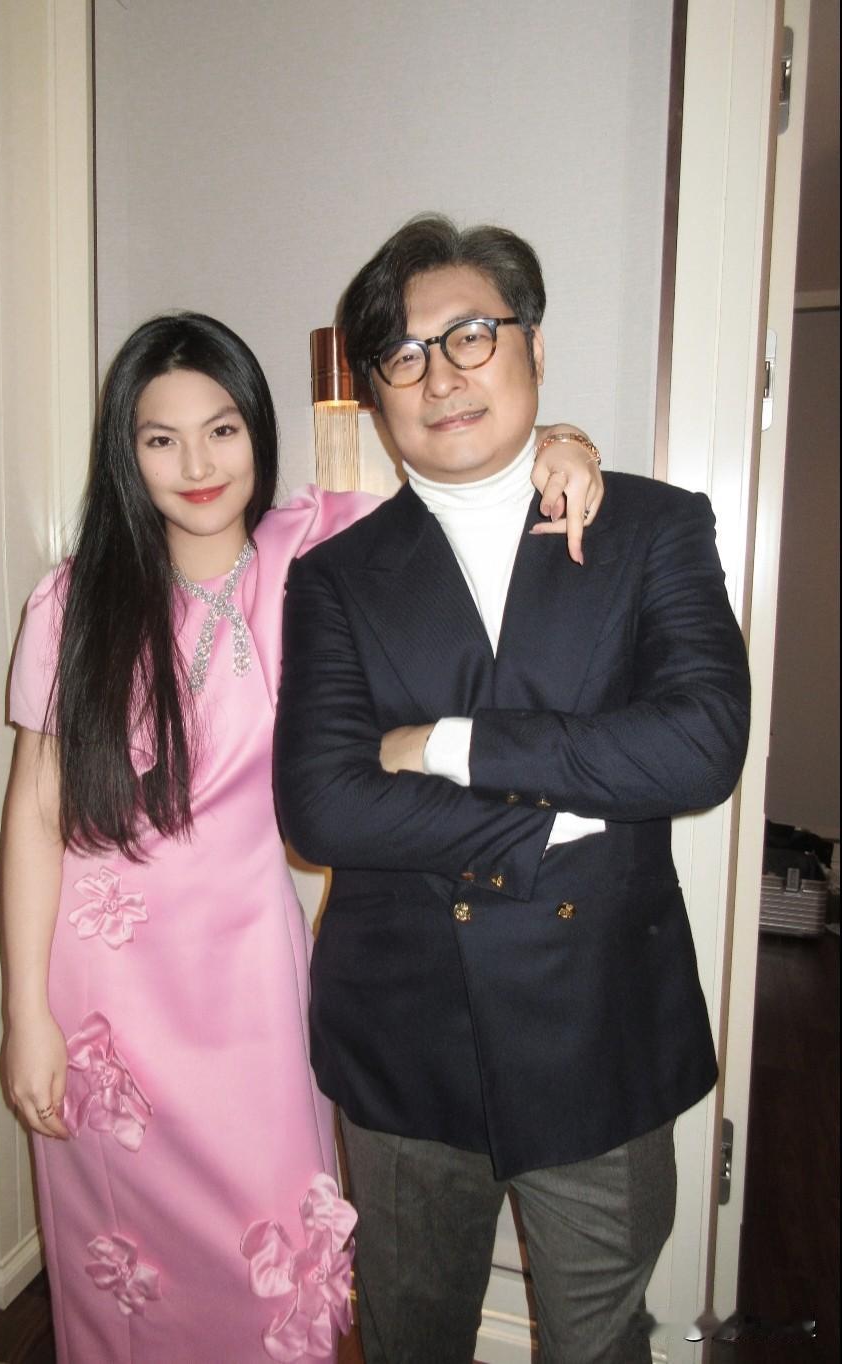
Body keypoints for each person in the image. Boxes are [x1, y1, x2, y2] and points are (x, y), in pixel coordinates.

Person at [0, 310, 603, 1363]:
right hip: (103, 1001)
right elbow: (35, 814)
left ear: (258, 430)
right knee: (121, 1275)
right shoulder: (72, 601)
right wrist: (24, 1016)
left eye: (222, 430)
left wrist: (565, 445)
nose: (197, 465)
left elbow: (464, 479)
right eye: (161, 438)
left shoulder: (317, 549)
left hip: (251, 988)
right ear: (126, 453)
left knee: (270, 1254)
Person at [273, 217, 752, 1364]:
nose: (440, 375)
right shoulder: (334, 576)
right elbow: (324, 806)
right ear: (377, 394)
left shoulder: (653, 527)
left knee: (600, 1341)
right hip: (404, 1033)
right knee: (410, 1338)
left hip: (599, 1025)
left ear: (534, 344)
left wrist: (447, 744)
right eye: (404, 355)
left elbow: (701, 747)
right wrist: (570, 814)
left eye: (471, 335)